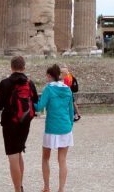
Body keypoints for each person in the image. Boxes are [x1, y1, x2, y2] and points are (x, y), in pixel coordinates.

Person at [0, 55, 39, 192]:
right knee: (19, 153)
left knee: (13, 157)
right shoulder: (30, 83)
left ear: (11, 67)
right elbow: (35, 101)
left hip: (10, 123)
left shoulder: (5, 83)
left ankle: (17, 189)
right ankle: (20, 186)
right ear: (24, 67)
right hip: (25, 123)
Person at [34, 64, 75, 192]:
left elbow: (39, 107)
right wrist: (69, 126)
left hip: (51, 128)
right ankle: (61, 189)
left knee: (45, 158)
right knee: (62, 160)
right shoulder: (67, 89)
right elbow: (71, 111)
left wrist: (31, 101)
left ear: (50, 76)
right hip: (65, 128)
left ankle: (46, 187)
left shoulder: (49, 89)